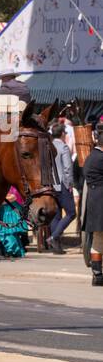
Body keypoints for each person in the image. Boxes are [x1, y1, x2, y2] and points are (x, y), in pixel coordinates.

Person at [81, 123, 103, 287]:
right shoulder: (100, 158)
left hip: (94, 201)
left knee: (97, 240)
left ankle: (97, 275)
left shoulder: (90, 157)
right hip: (101, 200)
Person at [49, 126, 76, 255]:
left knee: (56, 215)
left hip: (50, 185)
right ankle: (54, 238)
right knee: (71, 213)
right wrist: (70, 184)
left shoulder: (48, 147)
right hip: (62, 184)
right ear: (62, 134)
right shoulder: (63, 147)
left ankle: (56, 246)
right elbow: (67, 168)